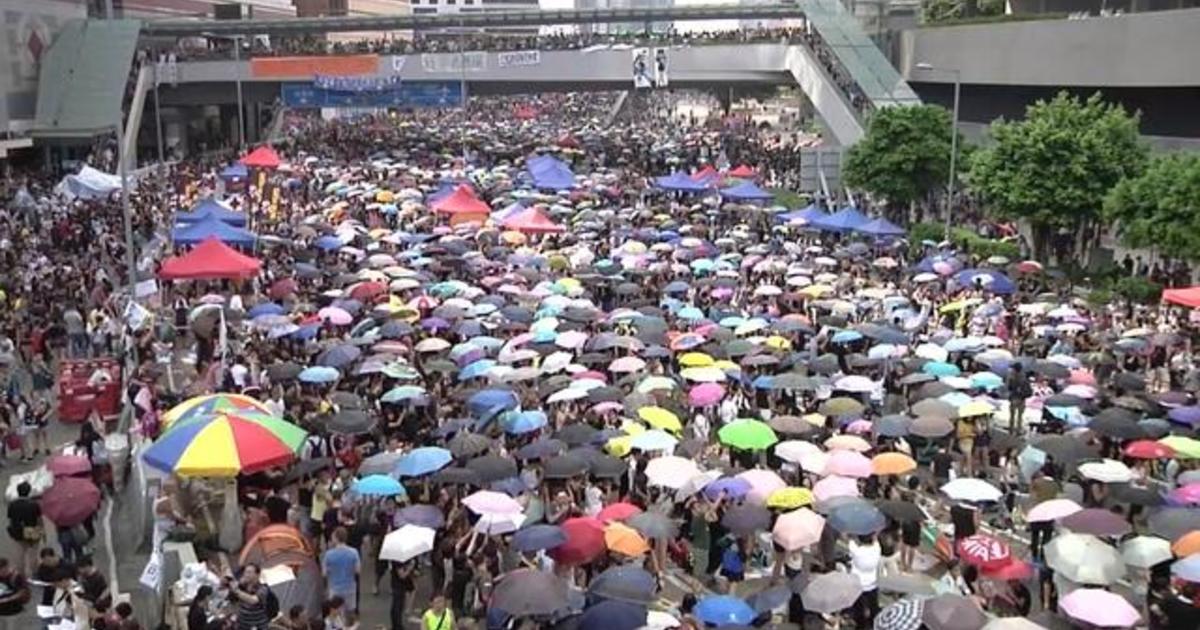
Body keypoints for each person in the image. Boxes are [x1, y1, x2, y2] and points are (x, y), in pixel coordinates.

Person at [322, 527, 361, 613]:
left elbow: (324, 574)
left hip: (334, 588)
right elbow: (357, 571)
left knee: (335, 612)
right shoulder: (354, 552)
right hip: (349, 587)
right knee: (349, 612)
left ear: (336, 538)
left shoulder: (328, 554)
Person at [7, 481, 42, 573]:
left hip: (18, 532)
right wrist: (42, 531)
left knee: (19, 555)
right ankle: (34, 572)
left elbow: (11, 519)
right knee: (33, 554)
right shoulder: (34, 504)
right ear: (29, 491)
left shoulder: (12, 504)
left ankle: (21, 575)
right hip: (32, 531)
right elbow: (39, 520)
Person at [848, 534, 880, 627]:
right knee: (873, 606)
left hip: (858, 584)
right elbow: (876, 540)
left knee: (858, 608)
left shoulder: (856, 551)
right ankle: (874, 623)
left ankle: (861, 624)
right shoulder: (877, 548)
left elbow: (851, 542)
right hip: (872, 582)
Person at [228, 564, 272, 630]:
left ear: (257, 575)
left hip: (258, 625)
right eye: (245, 572)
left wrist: (236, 590)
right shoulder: (242, 586)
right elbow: (232, 600)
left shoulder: (263, 588)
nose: (246, 575)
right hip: (243, 624)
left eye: (249, 572)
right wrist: (235, 587)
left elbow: (253, 600)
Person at [1006, 364, 1031, 434]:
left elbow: (1009, 388)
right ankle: (1018, 429)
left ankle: (1011, 429)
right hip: (1022, 398)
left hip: (1014, 397)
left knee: (1012, 415)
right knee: (1020, 416)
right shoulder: (1024, 378)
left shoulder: (1012, 377)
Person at [391, 560, 415, 630]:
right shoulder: (397, 561)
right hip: (398, 586)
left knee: (398, 606)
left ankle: (396, 625)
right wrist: (410, 568)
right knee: (397, 606)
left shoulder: (398, 560)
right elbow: (402, 575)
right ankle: (397, 626)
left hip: (399, 585)